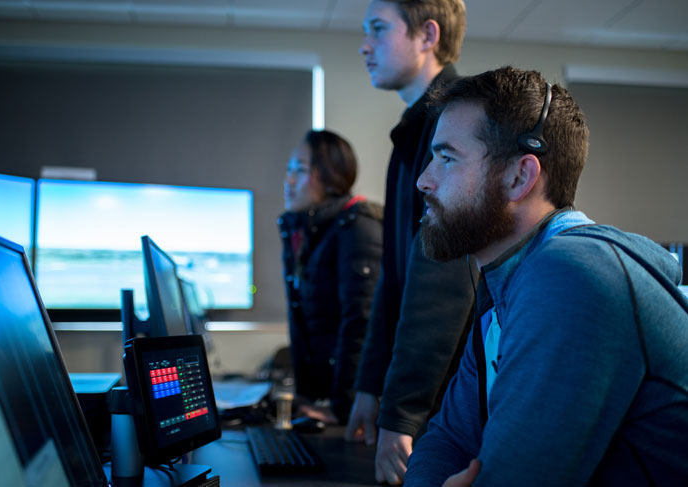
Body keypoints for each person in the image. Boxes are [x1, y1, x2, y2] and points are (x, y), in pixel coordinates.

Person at [405, 66, 688, 486]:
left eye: (447, 158)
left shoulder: (571, 275)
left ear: (520, 176)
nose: (423, 180)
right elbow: (449, 439)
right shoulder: (503, 286)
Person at [344, 1, 475, 484]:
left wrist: (402, 414)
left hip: (451, 405)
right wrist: (369, 386)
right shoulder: (416, 130)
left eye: (378, 29)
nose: (364, 45)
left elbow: (439, 283)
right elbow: (395, 278)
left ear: (427, 35)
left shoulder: (457, 124)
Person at [278, 129, 383, 425]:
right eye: (288, 170)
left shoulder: (357, 226)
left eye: (299, 170)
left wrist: (342, 407)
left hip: (351, 413)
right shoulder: (309, 231)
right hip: (324, 401)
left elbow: (361, 322)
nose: (289, 180)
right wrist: (307, 397)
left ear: (330, 174)